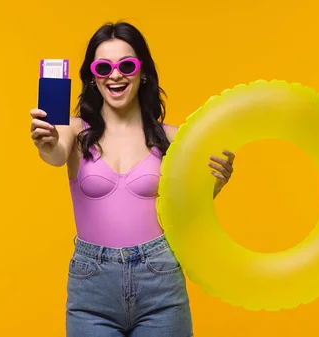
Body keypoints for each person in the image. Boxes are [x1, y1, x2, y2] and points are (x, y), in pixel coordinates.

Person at [29, 21, 235, 337]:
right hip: (91, 286)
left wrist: (214, 186)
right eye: (103, 67)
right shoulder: (72, 131)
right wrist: (46, 141)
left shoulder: (175, 139)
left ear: (143, 72)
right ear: (92, 77)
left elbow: (185, 211)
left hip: (160, 279)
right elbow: (55, 155)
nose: (115, 75)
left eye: (126, 65)